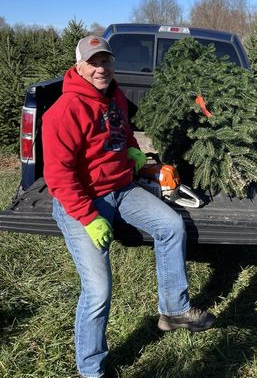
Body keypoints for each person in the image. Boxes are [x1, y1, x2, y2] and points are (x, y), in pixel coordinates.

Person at [42, 35, 215, 378]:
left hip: (121, 188)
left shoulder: (115, 94)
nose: (100, 68)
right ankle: (91, 369)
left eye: (105, 60)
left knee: (171, 226)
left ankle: (173, 311)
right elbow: (58, 176)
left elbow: (121, 132)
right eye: (93, 62)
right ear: (79, 66)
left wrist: (133, 152)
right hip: (82, 201)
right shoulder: (65, 110)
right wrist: (89, 217)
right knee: (98, 290)